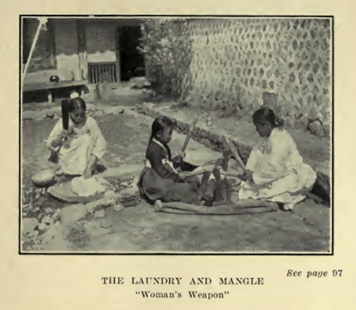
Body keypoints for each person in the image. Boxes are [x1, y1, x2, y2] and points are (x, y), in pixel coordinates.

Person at [237, 107, 317, 211]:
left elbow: (275, 168)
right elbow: (257, 152)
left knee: (267, 190)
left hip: (289, 173)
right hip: (275, 173)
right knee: (252, 187)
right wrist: (250, 169)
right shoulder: (269, 135)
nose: (256, 130)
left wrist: (254, 176)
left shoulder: (279, 139)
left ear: (267, 125)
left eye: (258, 127)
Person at [137, 115, 220, 206]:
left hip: (160, 175)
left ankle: (200, 190)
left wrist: (177, 158)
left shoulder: (161, 144)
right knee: (179, 189)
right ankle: (199, 198)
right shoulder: (154, 149)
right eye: (169, 133)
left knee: (191, 177)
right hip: (153, 181)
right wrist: (178, 177)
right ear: (158, 134)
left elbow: (166, 163)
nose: (171, 136)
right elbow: (160, 170)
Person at [47, 94, 107, 179]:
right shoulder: (63, 122)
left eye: (82, 114)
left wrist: (89, 167)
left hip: (86, 159)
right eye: (76, 115)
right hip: (68, 158)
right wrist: (61, 136)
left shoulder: (90, 122)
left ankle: (87, 169)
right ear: (70, 112)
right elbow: (51, 144)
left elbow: (100, 144)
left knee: (87, 139)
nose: (80, 118)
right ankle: (66, 169)